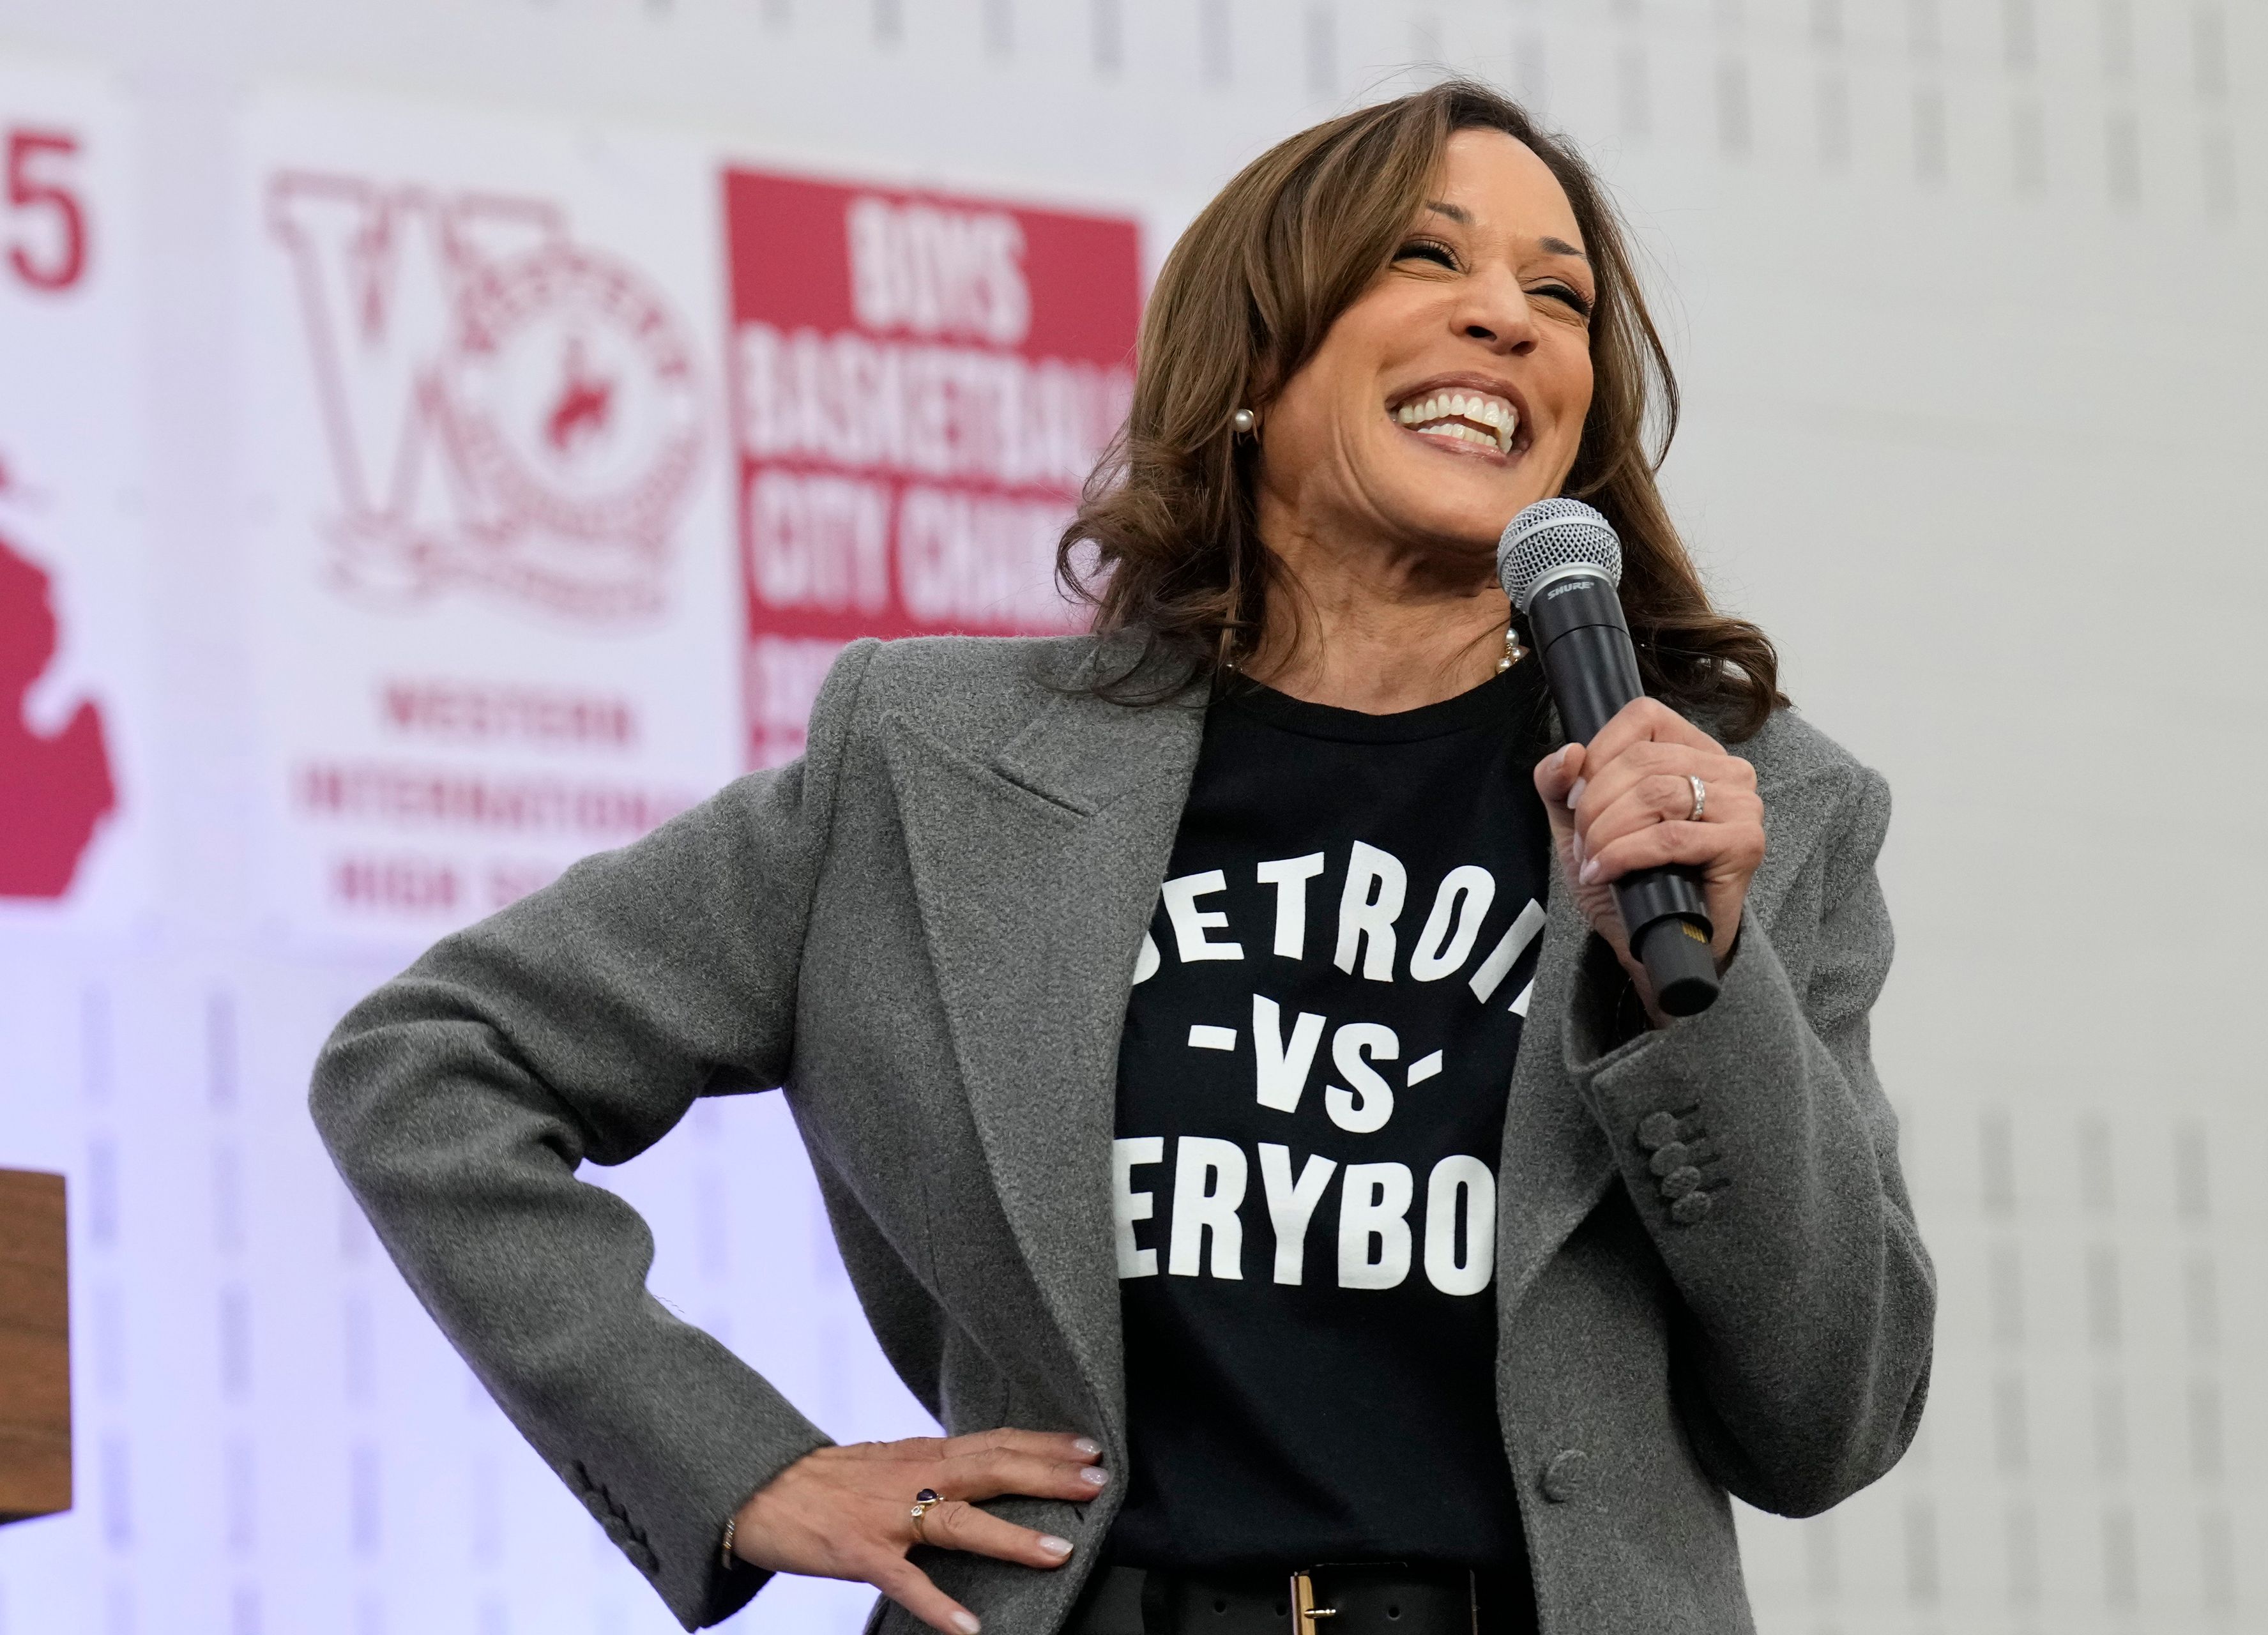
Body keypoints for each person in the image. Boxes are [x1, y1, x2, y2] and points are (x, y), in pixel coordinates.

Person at [312, 80, 1933, 1635]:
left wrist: (1697, 1003)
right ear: (1252, 352)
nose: (1506, 316)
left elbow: (1830, 1416)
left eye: (1560, 295)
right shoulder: (932, 765)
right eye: (1426, 256)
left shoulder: (1758, 811)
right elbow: (434, 1063)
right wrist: (734, 1463)